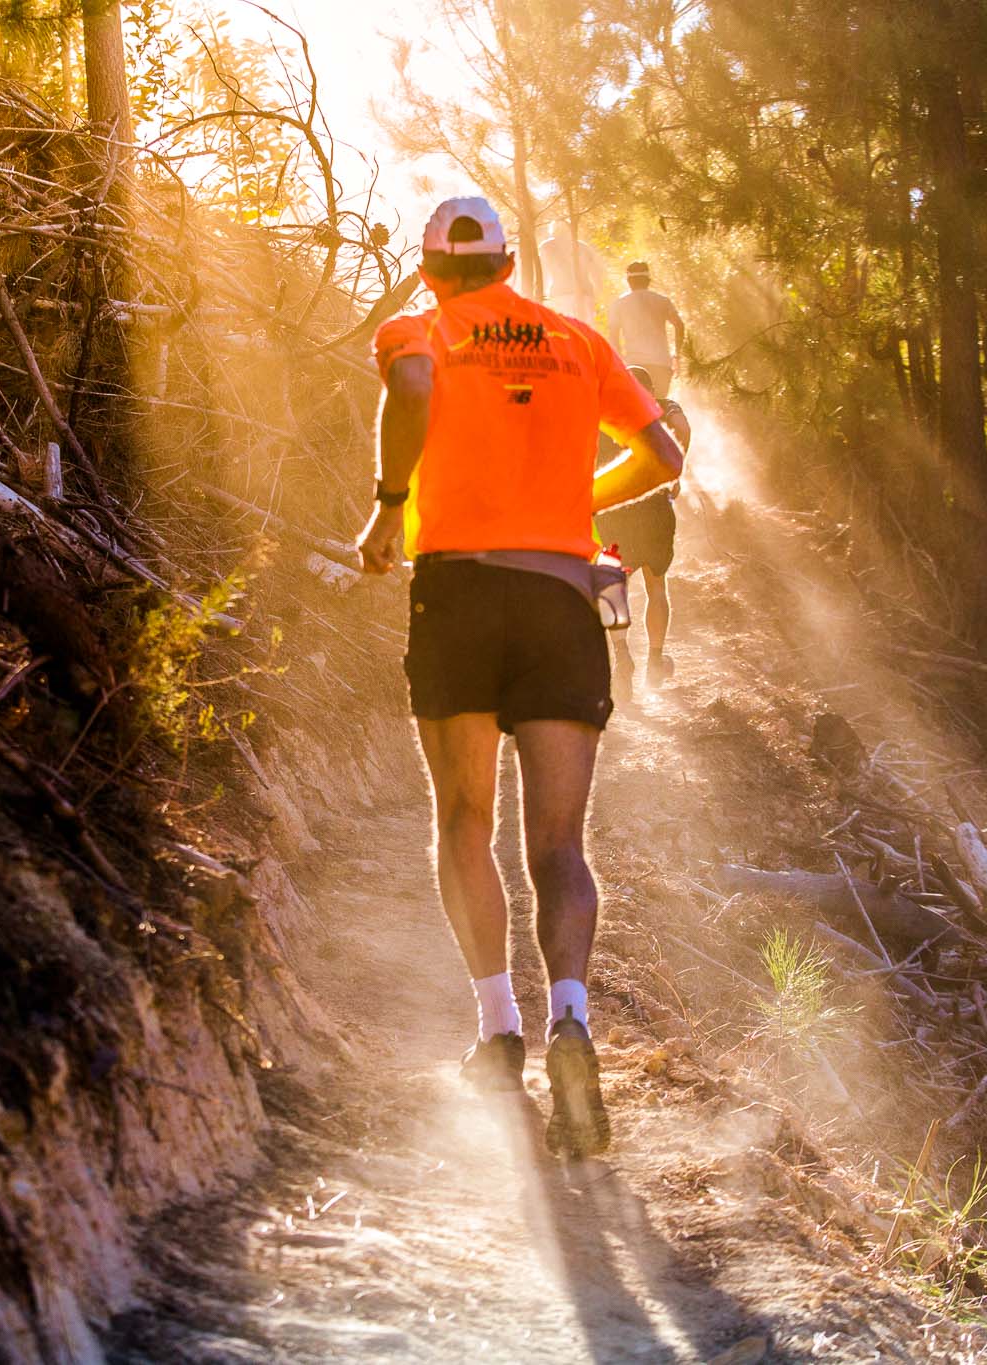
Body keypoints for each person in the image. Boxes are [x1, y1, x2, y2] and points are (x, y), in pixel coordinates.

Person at [356, 197, 684, 1158]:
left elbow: (412, 390)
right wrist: (574, 500)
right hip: (560, 598)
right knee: (560, 845)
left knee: (465, 818)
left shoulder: (418, 326)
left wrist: (387, 508)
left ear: (428, 270)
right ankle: (572, 1019)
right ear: (505, 262)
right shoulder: (579, 341)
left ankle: (500, 1030)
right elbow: (664, 454)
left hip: (458, 592)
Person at [595, 366, 694, 699]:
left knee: (612, 586)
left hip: (612, 513)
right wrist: (675, 470)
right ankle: (655, 659)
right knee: (655, 585)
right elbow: (681, 427)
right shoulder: (663, 406)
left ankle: (622, 655)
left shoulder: (600, 411)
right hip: (654, 510)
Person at [607, 261, 685, 399]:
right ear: (648, 280)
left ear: (629, 281)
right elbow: (679, 325)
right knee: (659, 407)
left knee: (639, 411)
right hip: (661, 364)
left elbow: (613, 334)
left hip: (634, 364)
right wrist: (676, 355)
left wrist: (620, 361)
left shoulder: (619, 304)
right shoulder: (662, 301)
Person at [539, 221, 607, 324]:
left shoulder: (546, 247)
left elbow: (542, 274)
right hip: (583, 294)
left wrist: (541, 296)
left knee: (565, 332)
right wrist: (599, 295)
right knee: (585, 331)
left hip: (561, 295)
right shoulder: (583, 246)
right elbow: (597, 273)